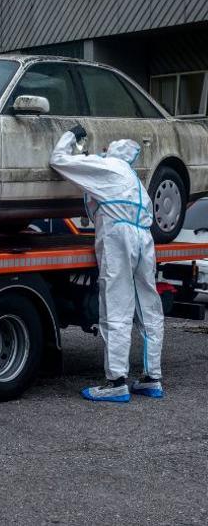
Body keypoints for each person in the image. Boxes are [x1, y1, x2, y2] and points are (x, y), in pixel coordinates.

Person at [50, 127, 164, 402]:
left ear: (111, 151)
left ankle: (116, 382)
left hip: (119, 237)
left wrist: (70, 135)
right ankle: (152, 379)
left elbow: (59, 160)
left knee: (116, 306)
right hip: (144, 239)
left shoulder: (107, 167)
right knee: (149, 307)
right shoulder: (135, 180)